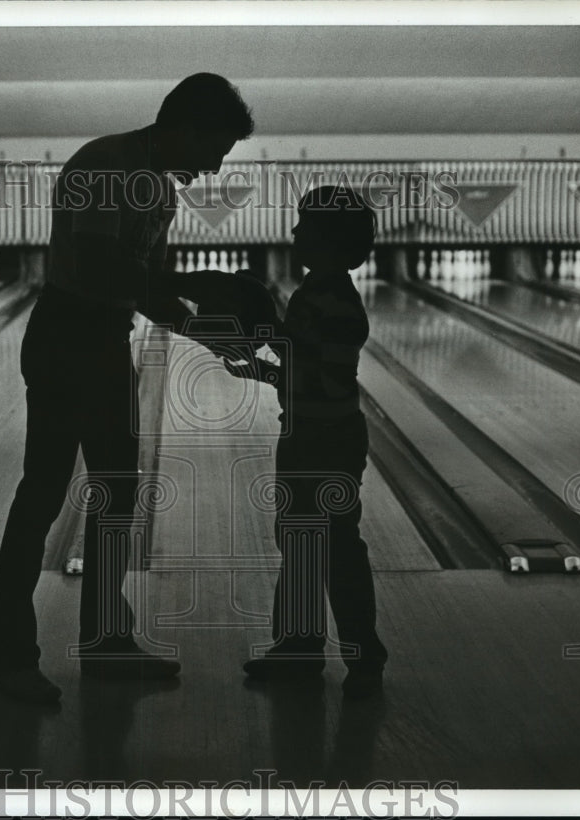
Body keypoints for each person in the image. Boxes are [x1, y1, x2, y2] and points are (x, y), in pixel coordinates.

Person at [0, 73, 254, 703]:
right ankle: (10, 657)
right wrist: (203, 283)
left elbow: (152, 292)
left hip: (103, 340)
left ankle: (107, 643)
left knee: (117, 494)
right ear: (184, 128)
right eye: (213, 152)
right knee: (43, 495)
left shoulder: (160, 192)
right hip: (64, 335)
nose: (212, 170)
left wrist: (208, 329)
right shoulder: (106, 165)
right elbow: (103, 262)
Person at [225, 185, 388, 699]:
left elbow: (315, 367)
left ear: (331, 242)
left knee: (331, 546)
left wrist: (267, 330)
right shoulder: (318, 293)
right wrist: (263, 365)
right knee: (305, 543)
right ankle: (301, 647)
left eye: (305, 227)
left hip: (323, 440)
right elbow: (307, 368)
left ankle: (354, 652)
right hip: (313, 432)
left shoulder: (330, 300)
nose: (293, 233)